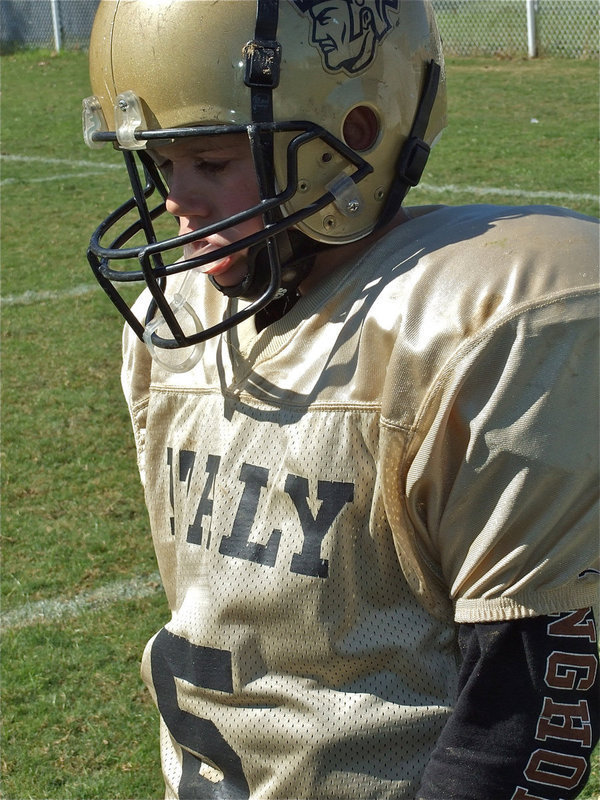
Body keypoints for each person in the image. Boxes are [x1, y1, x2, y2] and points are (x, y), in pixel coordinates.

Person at [82, 1, 599, 797]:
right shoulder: (177, 320)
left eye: (213, 162)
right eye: (161, 166)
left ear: (356, 132)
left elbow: (515, 717)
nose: (178, 204)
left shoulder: (492, 326)